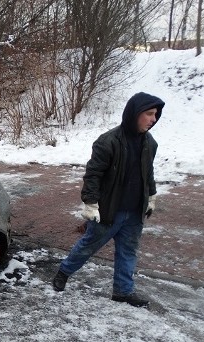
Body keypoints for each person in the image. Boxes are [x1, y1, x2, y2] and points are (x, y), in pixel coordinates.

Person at [52, 92, 165, 308]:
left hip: (134, 213)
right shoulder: (108, 142)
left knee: (128, 251)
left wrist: (151, 196)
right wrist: (91, 203)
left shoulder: (150, 143)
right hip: (109, 211)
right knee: (87, 246)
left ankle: (123, 291)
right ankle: (64, 272)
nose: (153, 119)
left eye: (156, 115)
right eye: (149, 113)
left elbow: (147, 172)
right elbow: (93, 174)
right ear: (134, 113)